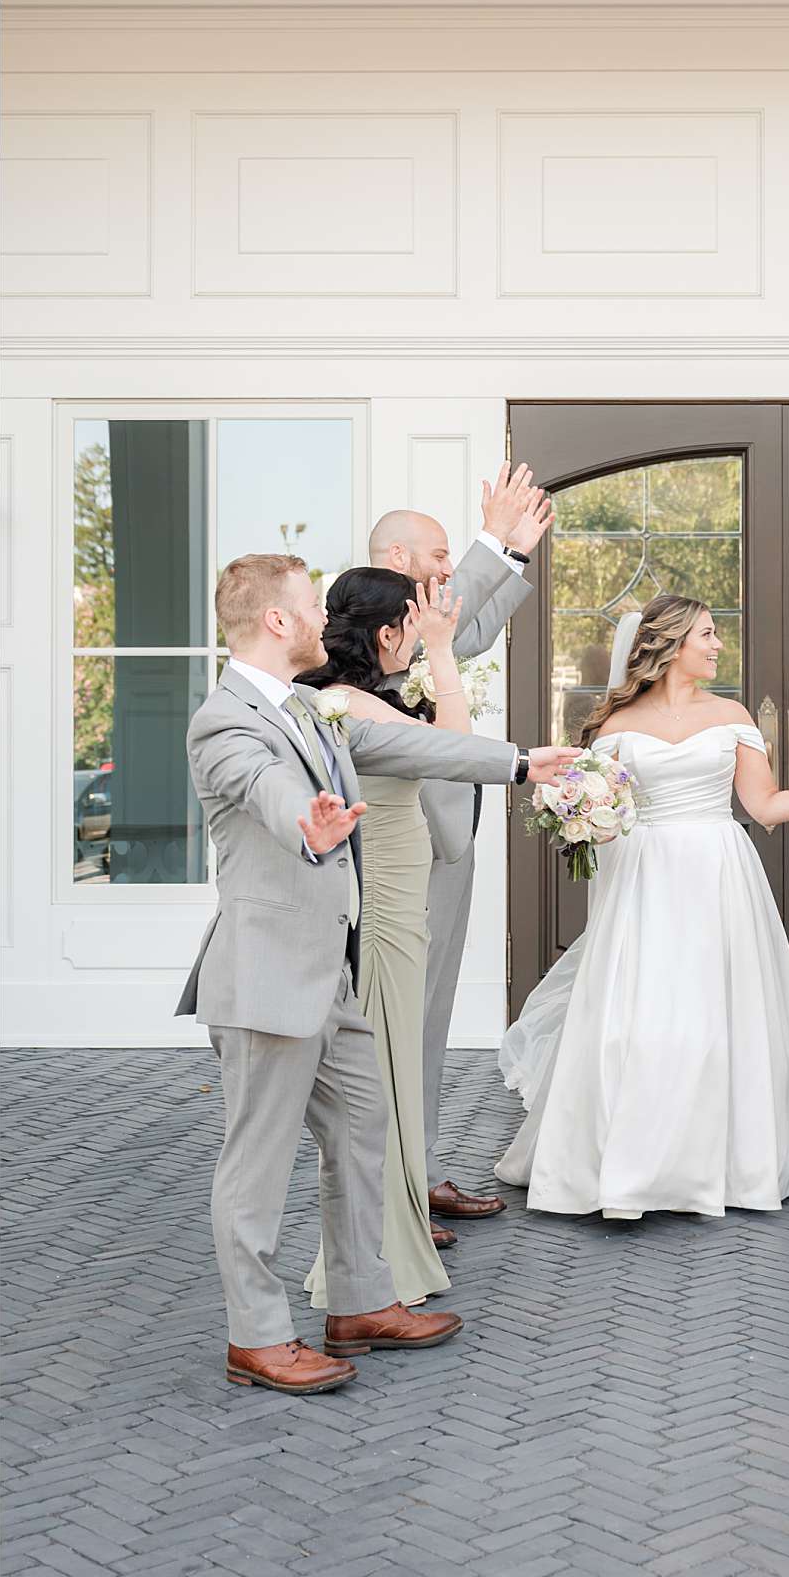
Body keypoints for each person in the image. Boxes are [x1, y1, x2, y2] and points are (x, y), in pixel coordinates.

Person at [179, 553, 576, 1395]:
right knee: (255, 1165)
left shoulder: (313, 707)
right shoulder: (226, 721)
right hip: (267, 979)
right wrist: (310, 820)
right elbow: (265, 788)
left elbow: (396, 738)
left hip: (331, 977)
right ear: (277, 623)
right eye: (305, 606)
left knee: (365, 1127)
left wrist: (517, 763)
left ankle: (360, 1302)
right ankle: (256, 1336)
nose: (322, 621)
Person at [496, 595, 789, 1218]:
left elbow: (764, 808)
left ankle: (724, 1161)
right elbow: (594, 806)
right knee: (641, 1009)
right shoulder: (615, 725)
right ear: (670, 644)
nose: (718, 646)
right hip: (642, 875)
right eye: (708, 636)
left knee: (716, 1008)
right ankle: (629, 1163)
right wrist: (580, 818)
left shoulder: (733, 714)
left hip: (717, 869)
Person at [369, 458, 553, 1243]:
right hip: (400, 850)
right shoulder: (368, 618)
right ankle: (391, 1192)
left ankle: (416, 1167)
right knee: (397, 1022)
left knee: (430, 1016)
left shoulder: (414, 617)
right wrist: (489, 538)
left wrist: (505, 552)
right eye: (440, 558)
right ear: (401, 562)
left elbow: (463, 632)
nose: (449, 571)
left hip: (445, 846)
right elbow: (451, 633)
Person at [301, 567, 476, 1314]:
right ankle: (373, 1268)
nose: (419, 634)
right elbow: (459, 751)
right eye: (415, 623)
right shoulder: (345, 703)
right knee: (384, 1081)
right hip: (381, 917)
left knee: (396, 1076)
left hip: (400, 907)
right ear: (387, 632)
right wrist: (444, 650)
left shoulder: (360, 700)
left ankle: (384, 1249)